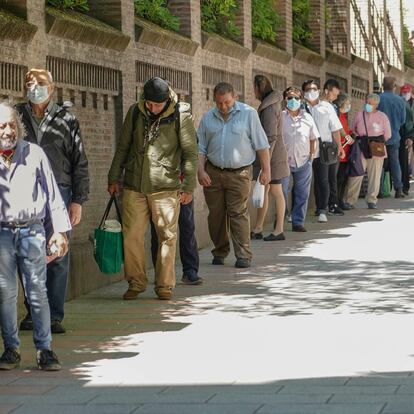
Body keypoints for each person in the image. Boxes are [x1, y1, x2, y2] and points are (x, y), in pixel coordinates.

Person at [108, 77, 198, 300]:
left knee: (167, 236)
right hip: (134, 185)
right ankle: (136, 282)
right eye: (149, 103)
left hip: (166, 186)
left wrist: (188, 186)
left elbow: (190, 152)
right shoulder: (135, 112)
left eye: (157, 104)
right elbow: (123, 147)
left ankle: (164, 285)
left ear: (166, 100)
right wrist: (113, 177)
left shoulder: (181, 115)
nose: (152, 108)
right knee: (132, 236)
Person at [16, 69, 89, 335]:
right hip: (23, 192)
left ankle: (54, 314)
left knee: (57, 253)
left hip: (60, 191)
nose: (34, 87)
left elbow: (79, 161)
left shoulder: (66, 119)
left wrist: (78, 200)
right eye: (29, 83)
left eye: (40, 83)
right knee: (28, 252)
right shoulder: (16, 116)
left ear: (52, 87)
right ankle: (34, 312)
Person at [0, 102, 71, 371]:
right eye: (2, 126)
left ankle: (45, 349)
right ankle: (11, 349)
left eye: (11, 125)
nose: (8, 130)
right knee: (5, 293)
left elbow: (53, 195)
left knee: (37, 291)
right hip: (2, 233)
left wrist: (60, 232)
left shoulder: (35, 154)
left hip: (32, 230)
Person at [197, 82, 270, 268]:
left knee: (237, 213)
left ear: (235, 97)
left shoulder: (249, 114)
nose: (223, 107)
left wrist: (266, 170)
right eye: (219, 103)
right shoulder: (207, 118)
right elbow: (201, 147)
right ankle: (220, 251)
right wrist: (200, 170)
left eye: (227, 102)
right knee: (216, 215)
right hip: (213, 172)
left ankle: (243, 254)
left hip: (240, 173)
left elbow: (261, 144)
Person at [250, 75, 289, 242]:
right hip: (270, 156)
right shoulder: (269, 105)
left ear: (259, 87)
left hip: (273, 156)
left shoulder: (270, 107)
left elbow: (270, 136)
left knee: (275, 191)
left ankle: (279, 229)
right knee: (265, 191)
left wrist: (267, 165)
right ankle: (258, 227)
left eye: (254, 87)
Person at [302, 80, 344, 223]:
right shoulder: (299, 108)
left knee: (323, 180)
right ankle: (297, 211)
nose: (311, 91)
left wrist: (340, 147)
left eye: (314, 88)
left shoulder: (327, 107)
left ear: (319, 90)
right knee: (301, 182)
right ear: (304, 92)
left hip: (323, 150)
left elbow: (335, 128)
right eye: (308, 89)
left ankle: (322, 209)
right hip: (303, 151)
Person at [343, 94, 391, 209]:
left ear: (376, 105)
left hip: (376, 147)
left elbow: (388, 134)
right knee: (356, 173)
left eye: (371, 103)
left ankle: (372, 200)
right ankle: (350, 200)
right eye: (367, 102)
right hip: (361, 146)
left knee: (375, 174)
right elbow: (352, 129)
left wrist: (376, 143)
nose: (368, 105)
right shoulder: (359, 114)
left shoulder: (382, 116)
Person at [281, 86, 318, 232]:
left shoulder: (307, 117)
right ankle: (283, 219)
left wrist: (312, 157)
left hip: (304, 161)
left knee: (302, 193)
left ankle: (298, 222)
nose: (293, 101)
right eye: (290, 98)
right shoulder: (280, 117)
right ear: (285, 99)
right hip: (284, 162)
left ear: (301, 100)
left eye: (296, 98)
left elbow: (313, 138)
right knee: (282, 191)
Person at [150, 199, 202, 285]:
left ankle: (190, 270)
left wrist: (188, 189)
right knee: (159, 230)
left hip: (181, 190)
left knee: (187, 227)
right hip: (160, 192)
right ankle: (161, 273)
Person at [378, 76, 406, 198]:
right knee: (395, 162)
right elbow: (403, 120)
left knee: (378, 163)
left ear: (382, 86)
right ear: (394, 87)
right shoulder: (400, 100)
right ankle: (398, 188)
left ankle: (377, 189)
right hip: (394, 135)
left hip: (379, 137)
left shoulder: (378, 99)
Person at [322, 79, 345, 216]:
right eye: (334, 94)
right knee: (326, 178)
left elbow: (337, 128)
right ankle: (327, 205)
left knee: (331, 177)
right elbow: (335, 129)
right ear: (326, 91)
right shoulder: (321, 106)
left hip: (331, 146)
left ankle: (331, 204)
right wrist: (340, 146)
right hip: (325, 146)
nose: (336, 98)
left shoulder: (331, 106)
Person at [333, 93, 355, 210]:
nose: (349, 105)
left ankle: (340, 200)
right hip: (339, 152)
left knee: (343, 179)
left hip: (347, 152)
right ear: (342, 103)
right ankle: (335, 202)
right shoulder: (337, 116)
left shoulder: (344, 116)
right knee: (338, 180)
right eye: (348, 103)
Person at [399, 84, 414, 195]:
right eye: (403, 92)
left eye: (407, 92)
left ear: (411, 91)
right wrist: (408, 137)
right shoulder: (399, 102)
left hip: (411, 133)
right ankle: (405, 186)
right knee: (404, 161)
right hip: (404, 134)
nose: (405, 94)